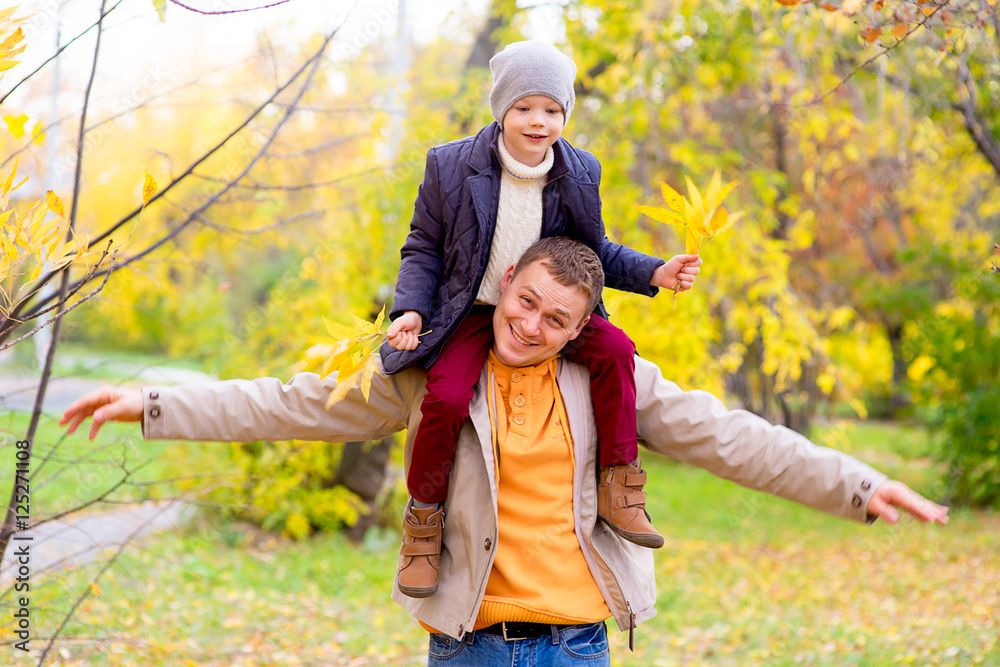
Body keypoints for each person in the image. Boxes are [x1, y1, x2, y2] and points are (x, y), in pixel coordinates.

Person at [61, 237, 948, 666]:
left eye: (555, 320)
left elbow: (737, 440)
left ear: (579, 330)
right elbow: (290, 400)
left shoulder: (609, 385)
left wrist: (858, 481)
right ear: (504, 288)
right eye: (522, 303)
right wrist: (152, 402)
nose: (530, 327)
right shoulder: (436, 373)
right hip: (473, 644)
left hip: (577, 645)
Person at [381, 40, 701, 598]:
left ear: (565, 115)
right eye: (525, 107)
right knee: (449, 396)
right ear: (501, 108)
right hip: (472, 308)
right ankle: (423, 523)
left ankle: (619, 486)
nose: (539, 121)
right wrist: (411, 308)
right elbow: (424, 247)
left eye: (552, 110)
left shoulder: (580, 172)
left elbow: (593, 249)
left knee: (616, 351)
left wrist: (654, 272)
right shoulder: (451, 165)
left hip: (545, 306)